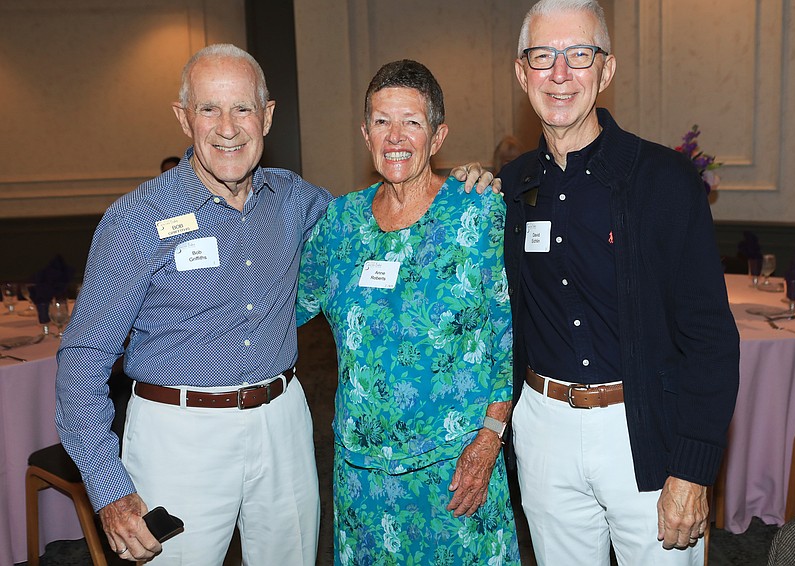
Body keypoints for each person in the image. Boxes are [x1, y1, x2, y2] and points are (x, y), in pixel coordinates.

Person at [463, 1, 740, 564]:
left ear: (606, 70)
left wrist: (693, 468)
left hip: (644, 431)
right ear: (522, 73)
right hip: (544, 432)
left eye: (579, 55)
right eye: (543, 57)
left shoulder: (665, 181)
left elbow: (710, 336)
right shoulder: (507, 190)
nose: (560, 74)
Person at [55, 44, 331, 564]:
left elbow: (374, 223)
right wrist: (109, 487)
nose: (228, 128)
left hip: (284, 426)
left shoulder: (295, 200)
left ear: (267, 116)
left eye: (243, 108)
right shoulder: (135, 220)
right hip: (177, 437)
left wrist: (459, 189)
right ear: (184, 119)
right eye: (209, 109)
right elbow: (83, 361)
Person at [296, 59, 520, 565]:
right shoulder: (341, 222)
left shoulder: (477, 212)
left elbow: (508, 337)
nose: (395, 137)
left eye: (411, 122)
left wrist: (490, 438)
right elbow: (283, 309)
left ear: (438, 136)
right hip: (363, 479)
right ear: (365, 133)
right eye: (382, 121)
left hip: (457, 470)